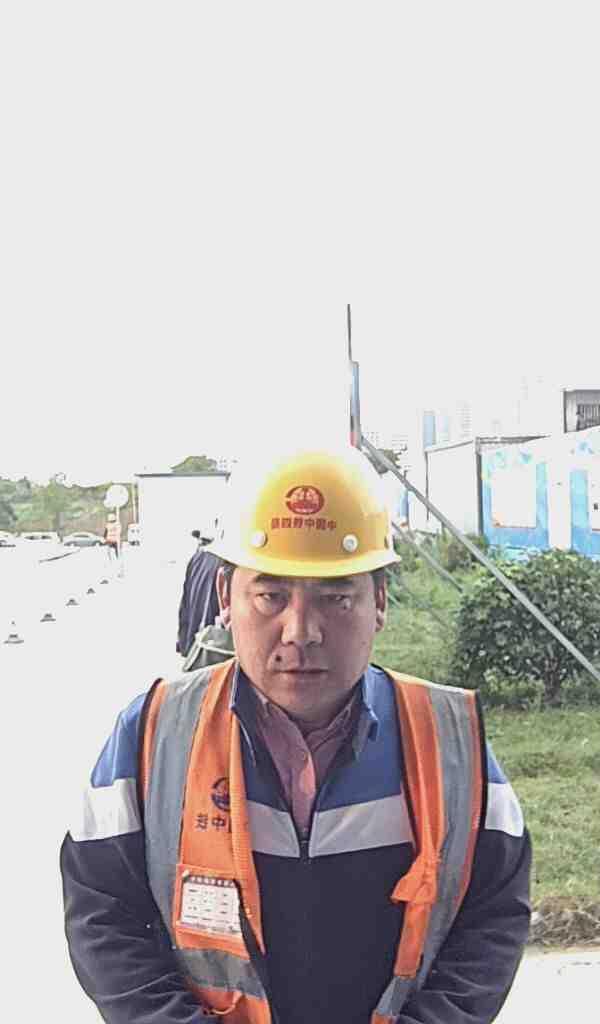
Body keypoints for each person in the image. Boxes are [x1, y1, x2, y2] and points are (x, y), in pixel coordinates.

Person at [60, 447, 531, 1024]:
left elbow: (493, 912)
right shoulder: (154, 731)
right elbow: (103, 911)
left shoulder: (448, 739)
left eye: (336, 596)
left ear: (379, 602)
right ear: (225, 598)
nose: (301, 631)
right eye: (271, 595)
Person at [176, 528, 222, 658]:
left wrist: (183, 642)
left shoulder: (197, 559)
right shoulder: (225, 564)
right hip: (214, 650)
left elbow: (184, 606)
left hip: (197, 647)